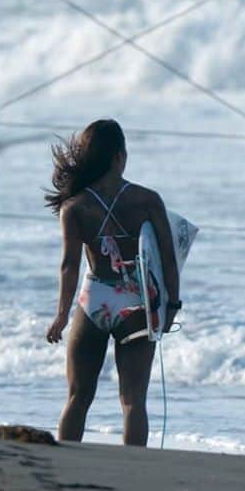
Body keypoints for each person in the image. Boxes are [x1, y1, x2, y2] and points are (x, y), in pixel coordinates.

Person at [44, 119, 180, 446]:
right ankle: (134, 471)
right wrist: (172, 305)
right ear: (120, 156)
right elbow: (168, 257)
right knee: (133, 401)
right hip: (139, 301)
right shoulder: (147, 200)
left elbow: (69, 266)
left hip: (96, 299)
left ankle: (66, 463)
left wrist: (61, 315)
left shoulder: (74, 207)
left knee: (78, 397)